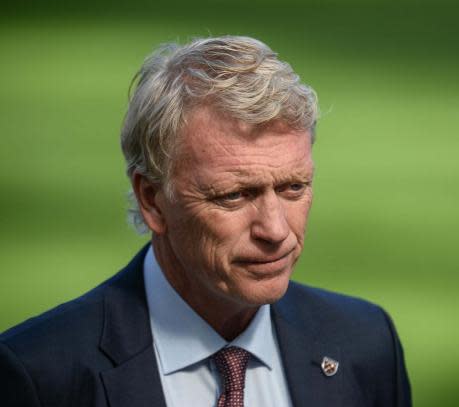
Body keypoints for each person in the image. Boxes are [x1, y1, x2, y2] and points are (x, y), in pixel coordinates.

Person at [0, 36, 411, 407]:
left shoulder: (367, 343)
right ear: (153, 200)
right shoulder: (37, 374)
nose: (276, 230)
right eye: (234, 195)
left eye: (293, 188)